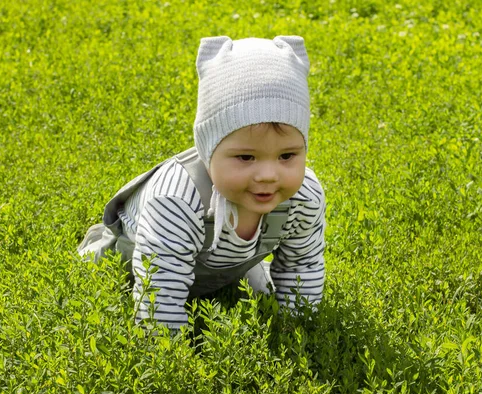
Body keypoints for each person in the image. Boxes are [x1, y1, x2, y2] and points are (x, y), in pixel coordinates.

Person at [78, 35, 326, 332]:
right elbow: (159, 291)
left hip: (219, 265)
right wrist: (170, 359)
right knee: (116, 291)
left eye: (287, 155)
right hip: (140, 266)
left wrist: (298, 329)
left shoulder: (304, 197)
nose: (268, 175)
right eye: (246, 157)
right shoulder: (177, 200)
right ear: (208, 150)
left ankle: (235, 274)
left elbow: (303, 265)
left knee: (263, 289)